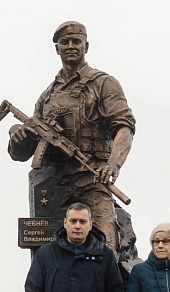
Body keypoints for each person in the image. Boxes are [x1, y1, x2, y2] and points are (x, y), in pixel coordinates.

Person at [8, 21, 136, 255]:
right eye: (64, 42)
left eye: (76, 41)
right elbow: (24, 152)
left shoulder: (103, 83)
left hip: (92, 180)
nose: (70, 46)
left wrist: (113, 164)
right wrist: (18, 138)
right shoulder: (47, 96)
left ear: (86, 46)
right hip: (52, 185)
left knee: (106, 251)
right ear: (57, 49)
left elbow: (124, 128)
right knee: (46, 257)